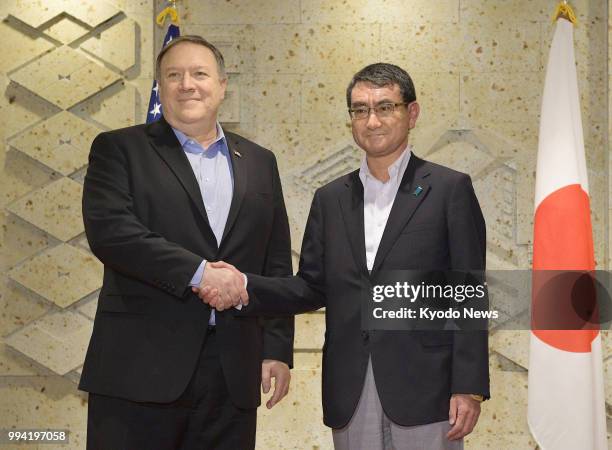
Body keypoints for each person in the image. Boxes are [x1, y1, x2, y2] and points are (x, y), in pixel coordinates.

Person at [199, 63, 489, 450]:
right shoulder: (331, 198)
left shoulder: (449, 189)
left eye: (386, 107)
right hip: (351, 385)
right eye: (360, 110)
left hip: (428, 387)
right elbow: (311, 286)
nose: (372, 121)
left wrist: (468, 386)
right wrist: (245, 285)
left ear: (412, 113)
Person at [79, 35, 294, 450]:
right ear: (160, 87)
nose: (186, 84)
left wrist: (278, 348)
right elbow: (112, 233)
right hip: (138, 370)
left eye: (199, 73)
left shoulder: (260, 161)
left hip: (233, 372)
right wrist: (200, 274)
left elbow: (275, 261)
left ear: (222, 85)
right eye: (173, 76)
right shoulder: (119, 149)